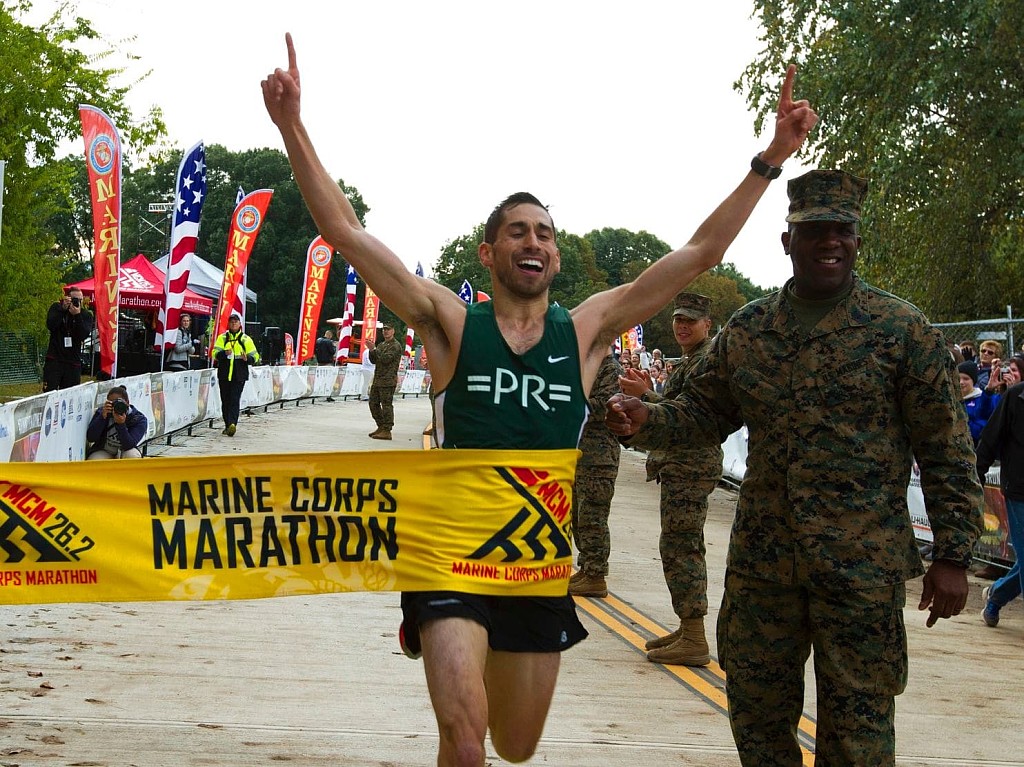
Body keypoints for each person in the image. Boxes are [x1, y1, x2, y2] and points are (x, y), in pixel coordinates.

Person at [262, 33, 816, 765]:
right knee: (467, 743)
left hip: (534, 567)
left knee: (515, 745)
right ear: (488, 253)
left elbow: (699, 254)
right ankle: (435, 646)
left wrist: (771, 158)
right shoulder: (450, 323)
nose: (534, 241)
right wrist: (292, 126)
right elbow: (345, 230)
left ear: (554, 255)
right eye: (517, 231)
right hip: (450, 555)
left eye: (545, 233)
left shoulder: (585, 333)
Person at [605, 168, 983, 766]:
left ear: (857, 240)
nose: (830, 241)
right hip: (764, 568)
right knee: (756, 720)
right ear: (788, 241)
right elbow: (703, 411)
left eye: (842, 230)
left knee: (858, 737)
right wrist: (646, 419)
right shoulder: (751, 330)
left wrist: (955, 555)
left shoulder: (901, 331)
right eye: (814, 230)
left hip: (861, 573)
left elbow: (946, 449)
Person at [619, 292, 722, 666]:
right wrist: (649, 392)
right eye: (679, 319)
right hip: (682, 464)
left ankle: (694, 636)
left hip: (691, 464)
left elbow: (689, 416)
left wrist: (645, 395)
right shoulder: (692, 359)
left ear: (707, 324)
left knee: (682, 548)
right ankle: (687, 627)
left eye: (690, 321)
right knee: (679, 545)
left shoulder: (705, 361)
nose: (682, 326)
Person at [568, 352, 624, 598]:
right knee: (579, 516)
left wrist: (571, 403)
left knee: (593, 517)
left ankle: (596, 575)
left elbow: (606, 407)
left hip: (599, 458)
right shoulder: (587, 367)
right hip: (582, 456)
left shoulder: (611, 370)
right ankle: (587, 568)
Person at [976, 380, 1024, 627]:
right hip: (1019, 490)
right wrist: (977, 475)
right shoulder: (1016, 396)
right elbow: (990, 437)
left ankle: (996, 595)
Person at [212, 313, 260, 437]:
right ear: (228, 324)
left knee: (234, 399)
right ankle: (227, 424)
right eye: (231, 322)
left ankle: (233, 423)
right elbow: (214, 353)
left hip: (239, 375)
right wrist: (224, 353)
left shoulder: (246, 339)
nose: (233, 324)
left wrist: (247, 358)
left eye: (236, 322)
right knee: (225, 400)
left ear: (239, 324)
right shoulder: (222, 338)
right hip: (224, 374)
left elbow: (256, 356)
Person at [43, 287, 94, 391]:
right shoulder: (57, 308)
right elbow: (51, 325)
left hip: (73, 361)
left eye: (80, 300)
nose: (77, 302)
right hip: (55, 359)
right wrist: (62, 310)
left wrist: (77, 316)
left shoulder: (86, 315)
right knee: (49, 392)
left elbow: (83, 335)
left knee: (70, 393)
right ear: (67, 298)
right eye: (74, 299)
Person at [86, 385, 148, 459]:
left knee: (132, 456)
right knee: (95, 460)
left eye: (119, 403)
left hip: (126, 450)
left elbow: (129, 445)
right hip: (105, 450)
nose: (116, 406)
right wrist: (102, 418)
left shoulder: (139, 419)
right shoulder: (102, 412)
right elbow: (91, 438)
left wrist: (121, 424)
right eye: (112, 403)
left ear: (127, 402)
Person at [365, 321, 402, 440]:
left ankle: (387, 429)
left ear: (393, 331)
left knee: (386, 405)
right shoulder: (381, 345)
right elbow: (374, 360)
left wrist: (374, 349)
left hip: (388, 380)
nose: (386, 331)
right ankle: (381, 426)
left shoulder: (395, 345)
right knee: (373, 403)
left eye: (388, 329)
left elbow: (386, 359)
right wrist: (371, 350)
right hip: (378, 379)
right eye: (384, 329)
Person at [958, 360, 999, 447]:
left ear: (973, 381)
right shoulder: (951, 399)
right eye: (958, 379)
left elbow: (983, 425)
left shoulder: (983, 398)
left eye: (966, 379)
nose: (961, 382)